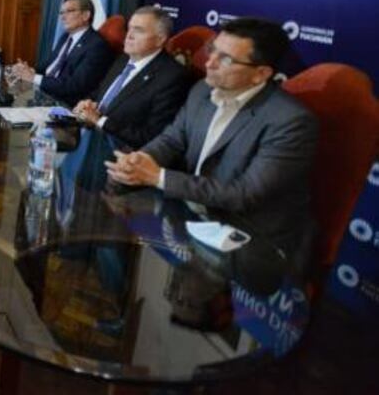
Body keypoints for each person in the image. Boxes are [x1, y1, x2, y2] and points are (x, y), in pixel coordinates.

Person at [105, 17, 317, 258]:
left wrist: (157, 176)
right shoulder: (202, 90)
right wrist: (140, 159)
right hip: (190, 212)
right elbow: (173, 139)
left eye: (225, 59)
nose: (210, 62)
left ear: (261, 74)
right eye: (212, 50)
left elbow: (244, 195)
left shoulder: (290, 122)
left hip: (248, 240)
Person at [72, 7, 189, 149]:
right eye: (129, 28)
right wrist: (87, 104)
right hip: (89, 136)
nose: (129, 35)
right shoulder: (124, 58)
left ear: (160, 39)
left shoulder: (172, 77)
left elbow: (152, 136)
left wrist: (100, 121)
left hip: (122, 154)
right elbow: (100, 93)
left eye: (138, 30)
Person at [11, 0, 113, 106]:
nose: (63, 17)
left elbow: (75, 86)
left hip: (64, 104)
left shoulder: (97, 46)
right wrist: (28, 70)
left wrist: (33, 77)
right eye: (61, 13)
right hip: (45, 94)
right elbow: (49, 66)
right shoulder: (66, 37)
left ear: (86, 15)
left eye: (69, 11)